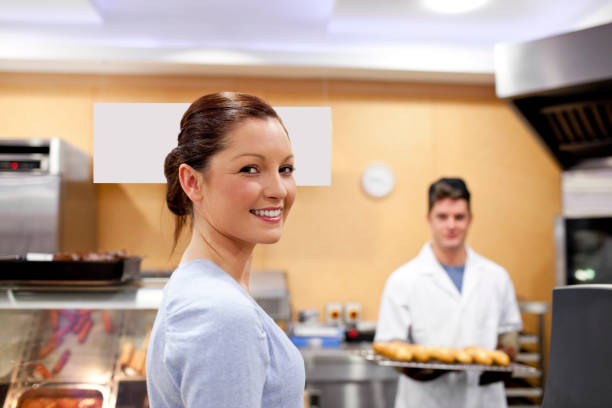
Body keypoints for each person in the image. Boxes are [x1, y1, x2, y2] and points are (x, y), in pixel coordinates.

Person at [146, 92, 305, 407]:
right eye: (250, 169)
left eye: (285, 169)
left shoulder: (204, 288)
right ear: (192, 182)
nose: (278, 190)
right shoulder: (221, 313)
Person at [375, 177, 522, 408]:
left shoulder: (496, 276)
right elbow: (391, 343)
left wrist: (508, 354)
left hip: (484, 400)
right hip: (426, 400)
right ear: (429, 219)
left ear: (470, 219)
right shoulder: (402, 280)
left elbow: (508, 333)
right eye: (442, 217)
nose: (451, 225)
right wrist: (415, 368)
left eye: (459, 217)